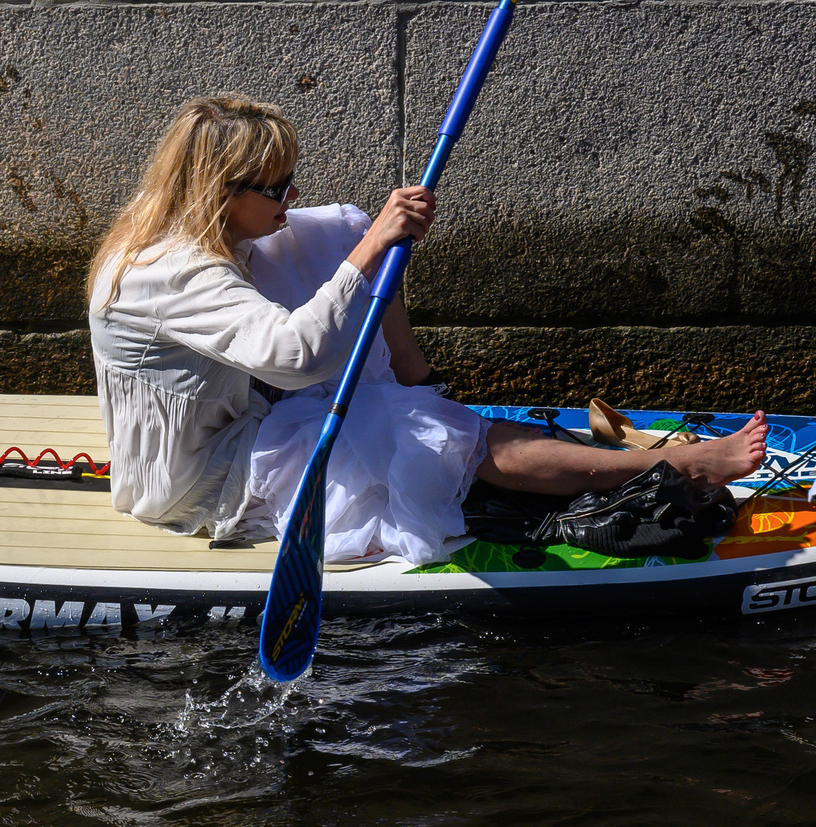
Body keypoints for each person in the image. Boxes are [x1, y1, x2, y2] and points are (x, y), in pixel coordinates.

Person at [87, 96, 767, 566]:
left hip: (238, 427)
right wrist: (369, 247)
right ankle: (672, 465)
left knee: (342, 231)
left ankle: (421, 385)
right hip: (202, 481)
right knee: (422, 433)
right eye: (276, 189)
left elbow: (319, 247)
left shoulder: (172, 216)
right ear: (216, 191)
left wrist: (366, 230)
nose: (291, 198)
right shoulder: (172, 269)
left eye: (292, 181)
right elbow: (294, 356)